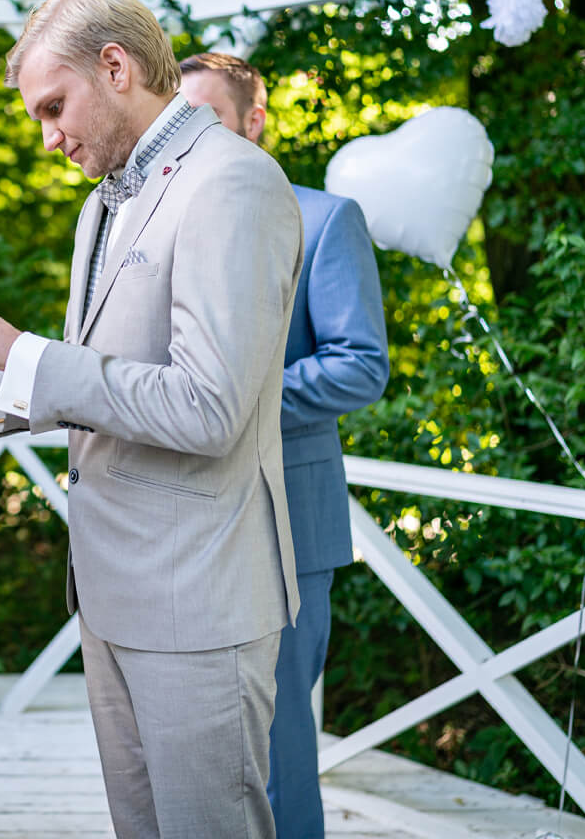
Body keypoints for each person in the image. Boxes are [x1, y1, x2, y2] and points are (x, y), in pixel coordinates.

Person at [0, 0, 304, 839]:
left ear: (115, 66)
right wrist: (1, 389)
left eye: (54, 108)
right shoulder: (101, 205)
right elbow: (113, 381)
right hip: (111, 592)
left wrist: (28, 353)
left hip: (198, 600)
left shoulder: (232, 182)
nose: (49, 137)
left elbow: (208, 407)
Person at [180, 51, 390, 839]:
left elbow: (360, 365)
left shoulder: (326, 218)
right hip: (187, 522)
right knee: (200, 744)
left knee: (280, 746)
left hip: (288, 520)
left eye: (208, 118)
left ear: (254, 120)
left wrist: (237, 398)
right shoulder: (171, 222)